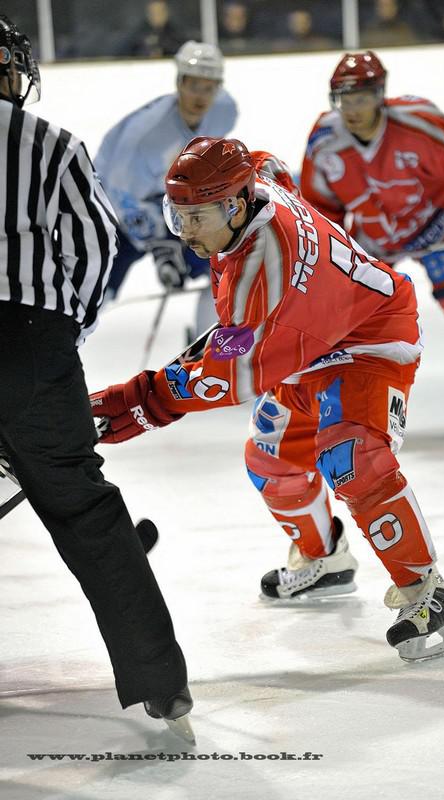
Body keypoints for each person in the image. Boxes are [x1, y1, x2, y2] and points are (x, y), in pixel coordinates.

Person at [90, 136, 444, 663]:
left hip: (368, 337)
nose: (187, 232)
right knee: (270, 461)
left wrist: (136, 404)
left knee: (352, 457)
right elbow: (271, 165)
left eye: (196, 217)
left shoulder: (261, 271)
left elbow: (226, 377)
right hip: (303, 337)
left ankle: (427, 593)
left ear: (234, 205)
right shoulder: (254, 184)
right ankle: (325, 559)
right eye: (178, 217)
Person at [0, 15, 193, 739]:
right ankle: (159, 682)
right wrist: (62, 331)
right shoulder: (50, 143)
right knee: (87, 511)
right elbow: (95, 245)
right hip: (32, 344)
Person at [300, 51, 444, 431]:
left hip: (442, 227)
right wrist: (329, 264)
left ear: (380, 94)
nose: (352, 109)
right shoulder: (324, 141)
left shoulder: (420, 122)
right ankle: (353, 403)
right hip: (377, 238)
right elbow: (321, 208)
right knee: (349, 323)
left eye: (361, 98)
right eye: (344, 99)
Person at [94, 40, 238, 338]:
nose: (201, 96)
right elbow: (119, 197)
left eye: (209, 87)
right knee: (97, 290)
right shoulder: (145, 136)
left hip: (169, 200)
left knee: (222, 260)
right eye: (194, 85)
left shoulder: (224, 109)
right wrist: (161, 245)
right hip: (111, 209)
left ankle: (209, 339)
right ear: (179, 82)